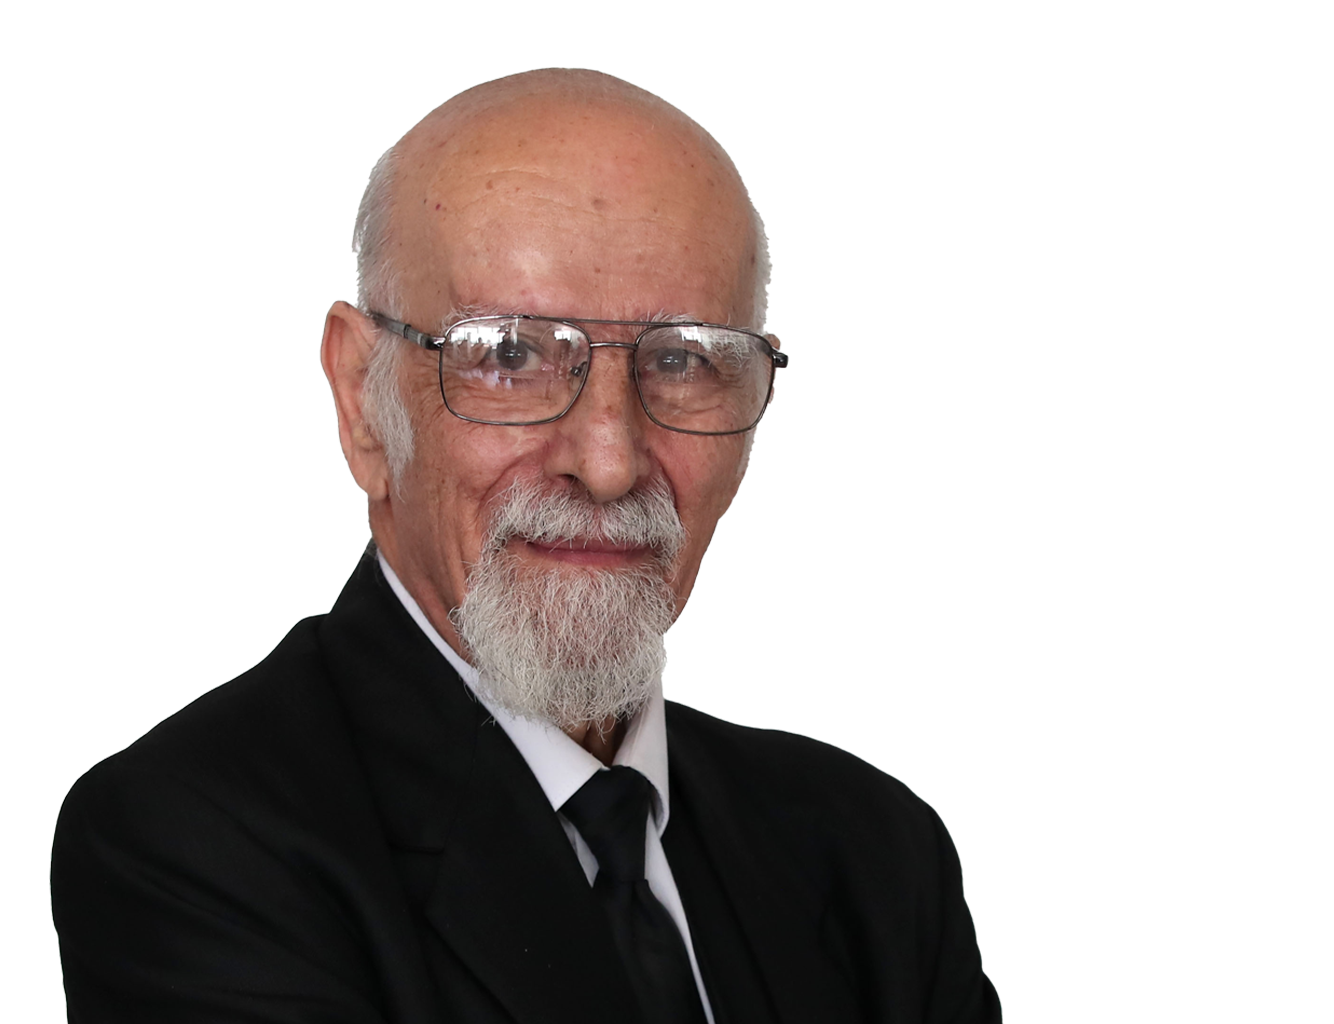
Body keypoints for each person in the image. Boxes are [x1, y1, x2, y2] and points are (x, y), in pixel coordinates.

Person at [51, 68, 1001, 1024]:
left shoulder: (876, 856)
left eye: (681, 361)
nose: (609, 461)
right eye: (509, 354)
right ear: (363, 402)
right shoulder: (188, 842)